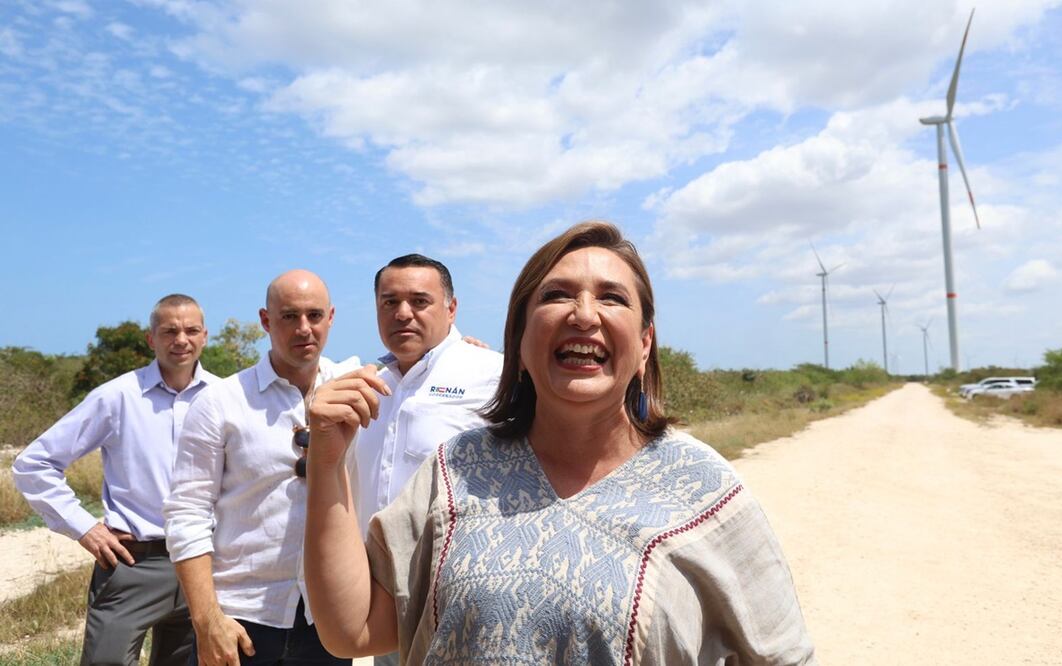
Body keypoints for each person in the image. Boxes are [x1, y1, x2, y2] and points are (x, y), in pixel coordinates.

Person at [301, 221, 818, 664]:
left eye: (612, 298)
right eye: (556, 295)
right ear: (520, 343)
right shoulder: (456, 471)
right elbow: (353, 628)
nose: (584, 314)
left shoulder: (704, 491)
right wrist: (327, 459)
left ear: (644, 345)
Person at [162, 270, 367, 666]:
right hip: (241, 619)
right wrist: (207, 621)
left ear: (332, 317)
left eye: (315, 315)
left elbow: (419, 369)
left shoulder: (354, 385)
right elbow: (186, 513)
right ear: (265, 320)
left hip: (326, 618)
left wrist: (463, 343)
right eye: (289, 316)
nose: (304, 328)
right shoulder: (220, 402)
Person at [13, 294, 216, 666]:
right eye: (169, 331)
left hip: (205, 562)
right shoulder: (117, 397)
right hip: (133, 564)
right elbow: (34, 463)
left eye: (190, 330)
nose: (181, 339)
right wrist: (85, 528)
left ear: (205, 336)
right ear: (150, 338)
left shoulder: (223, 398)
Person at [350, 254, 503, 536]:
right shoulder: (367, 390)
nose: (403, 313)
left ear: (451, 309)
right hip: (367, 572)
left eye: (420, 301)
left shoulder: (493, 376)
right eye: (390, 302)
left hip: (449, 574)